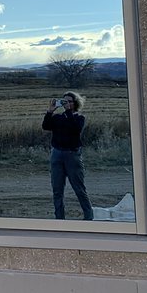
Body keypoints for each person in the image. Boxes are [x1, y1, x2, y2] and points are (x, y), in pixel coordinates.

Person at [42, 91, 92, 221]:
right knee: (57, 190)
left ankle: (89, 217)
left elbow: (75, 129)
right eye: (64, 101)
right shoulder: (58, 118)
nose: (66, 104)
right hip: (57, 154)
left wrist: (69, 111)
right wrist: (50, 111)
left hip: (72, 155)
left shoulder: (79, 118)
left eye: (69, 101)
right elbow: (45, 126)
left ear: (75, 103)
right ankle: (59, 219)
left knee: (79, 188)